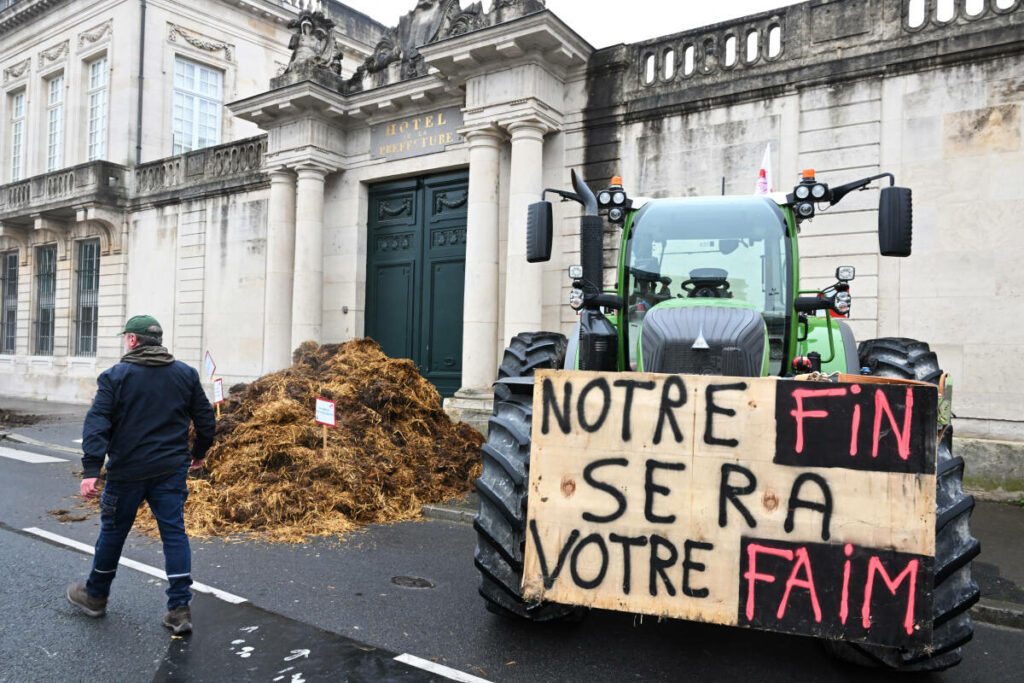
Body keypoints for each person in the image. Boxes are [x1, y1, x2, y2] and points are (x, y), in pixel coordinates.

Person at [66, 315, 215, 634]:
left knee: (114, 531)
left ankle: (95, 597)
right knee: (174, 533)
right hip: (170, 469)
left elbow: (97, 424)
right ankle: (179, 610)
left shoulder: (115, 376)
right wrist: (198, 454)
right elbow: (206, 419)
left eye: (126, 338)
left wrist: (92, 469)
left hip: (127, 472)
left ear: (132, 340)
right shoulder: (185, 374)